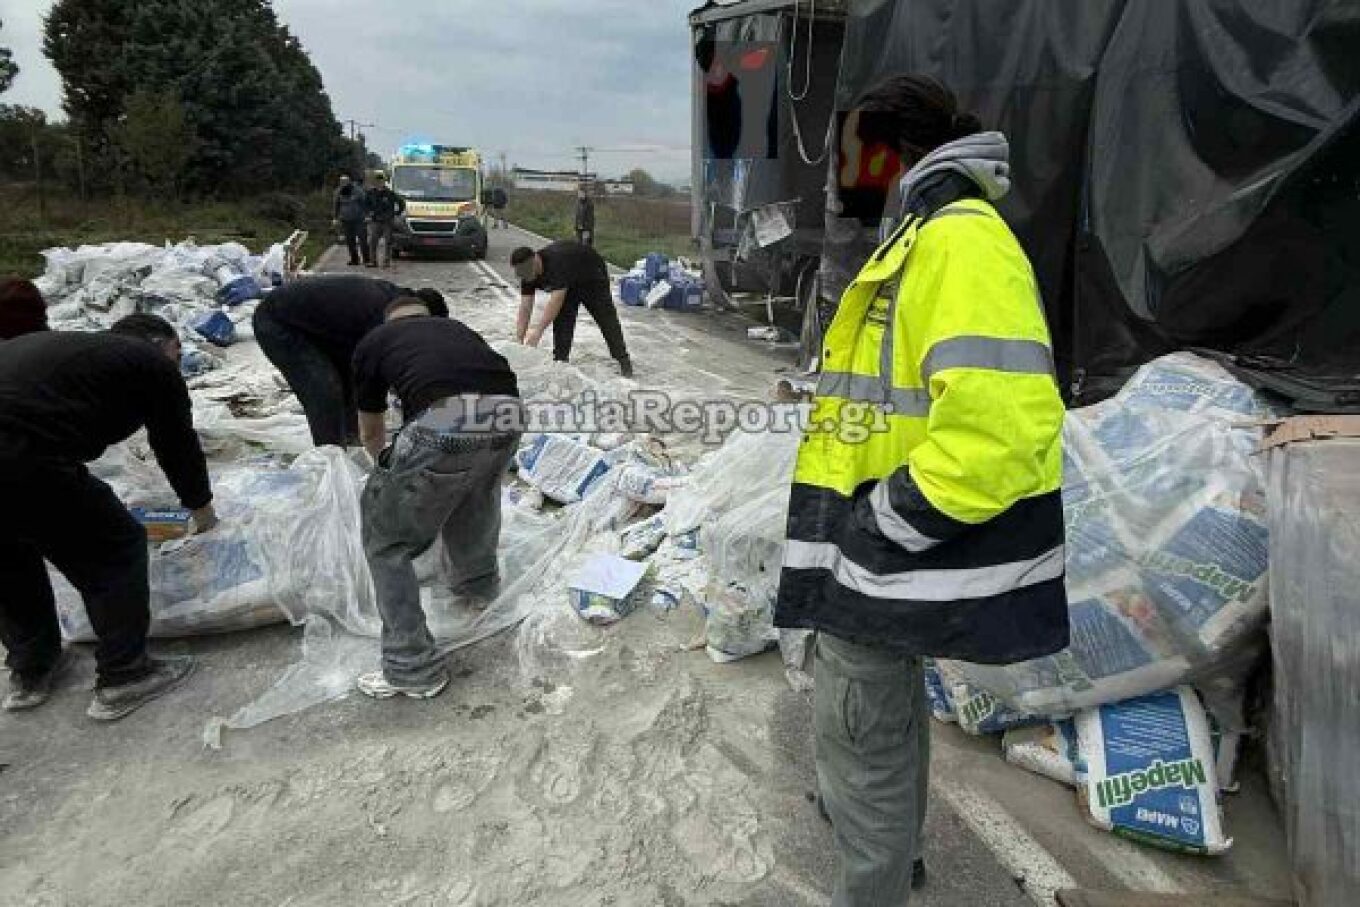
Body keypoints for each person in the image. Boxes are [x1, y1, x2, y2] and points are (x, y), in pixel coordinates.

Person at [774, 75, 1069, 906]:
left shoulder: (957, 239)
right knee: (880, 723)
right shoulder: (922, 234)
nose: (836, 175)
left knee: (859, 732)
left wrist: (880, 527)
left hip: (890, 554)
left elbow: (1003, 428)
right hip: (879, 552)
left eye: (844, 156)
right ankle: (891, 858)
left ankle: (873, 885)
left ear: (887, 151)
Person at [0, 313, 217, 720]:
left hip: (18, 449)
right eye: (178, 351)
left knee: (11, 553)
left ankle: (32, 670)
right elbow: (175, 442)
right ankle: (125, 675)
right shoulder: (148, 363)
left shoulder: (81, 353)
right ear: (158, 344)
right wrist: (200, 507)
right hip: (19, 455)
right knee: (114, 548)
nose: (179, 361)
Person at [352, 296, 522, 700]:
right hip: (510, 413)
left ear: (389, 318)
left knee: (386, 541)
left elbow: (370, 432)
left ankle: (411, 668)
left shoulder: (375, 341)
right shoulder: (457, 329)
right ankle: (477, 591)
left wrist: (390, 478)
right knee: (474, 495)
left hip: (445, 418)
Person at [252, 274, 447, 448]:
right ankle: (331, 459)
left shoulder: (396, 303)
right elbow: (378, 374)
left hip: (322, 328)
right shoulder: (386, 317)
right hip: (278, 324)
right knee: (324, 390)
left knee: (350, 382)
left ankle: (354, 441)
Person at [511, 241, 633, 377]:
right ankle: (560, 361)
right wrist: (519, 339)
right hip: (569, 281)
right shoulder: (527, 274)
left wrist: (538, 332)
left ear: (535, 259)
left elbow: (555, 301)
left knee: (605, 318)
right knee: (563, 321)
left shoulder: (555, 263)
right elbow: (525, 307)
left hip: (591, 275)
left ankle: (623, 360)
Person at [365, 171, 407, 269]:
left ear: (384, 182)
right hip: (375, 220)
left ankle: (386, 262)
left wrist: (397, 213)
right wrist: (368, 213)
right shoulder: (370, 193)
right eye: (377, 180)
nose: (379, 182)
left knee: (388, 242)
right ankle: (373, 261)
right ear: (375, 182)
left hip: (387, 221)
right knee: (372, 242)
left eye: (381, 180)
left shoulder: (390, 193)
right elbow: (365, 204)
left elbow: (401, 203)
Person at [333, 175, 372, 267]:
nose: (343, 184)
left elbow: (365, 203)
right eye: (341, 182)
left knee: (363, 240)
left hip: (359, 219)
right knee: (350, 241)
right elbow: (336, 205)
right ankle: (354, 259)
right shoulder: (338, 192)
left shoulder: (358, 191)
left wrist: (367, 215)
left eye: (345, 182)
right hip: (346, 220)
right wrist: (335, 218)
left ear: (349, 182)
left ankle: (367, 259)